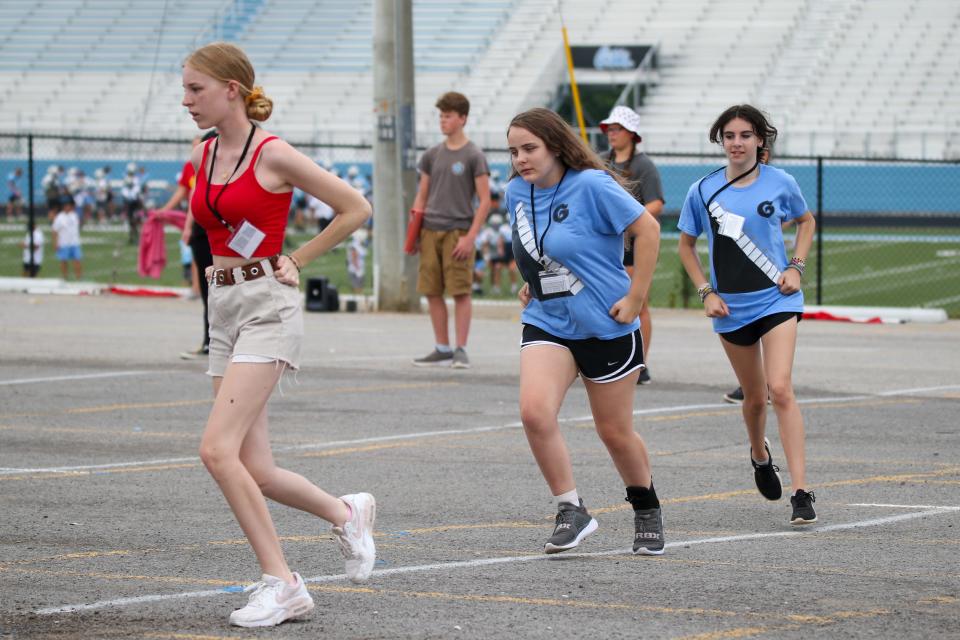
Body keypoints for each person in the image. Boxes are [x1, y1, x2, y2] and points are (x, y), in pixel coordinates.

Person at [182, 42, 376, 628]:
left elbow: (355, 207)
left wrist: (300, 255)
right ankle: (346, 512)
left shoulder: (274, 152)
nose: (186, 99)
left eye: (196, 88)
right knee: (255, 468)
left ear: (231, 90)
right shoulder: (204, 150)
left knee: (216, 450)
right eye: (185, 88)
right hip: (224, 306)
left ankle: (284, 583)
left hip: (269, 303)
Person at [505, 108, 665, 556]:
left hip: (605, 324)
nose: (520, 159)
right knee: (535, 413)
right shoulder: (516, 192)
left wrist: (636, 297)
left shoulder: (591, 185)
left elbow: (648, 230)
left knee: (613, 432)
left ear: (555, 146)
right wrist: (531, 280)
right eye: (514, 151)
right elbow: (538, 245)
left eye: (529, 148)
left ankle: (646, 507)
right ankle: (571, 509)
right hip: (548, 320)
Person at [677, 104, 817, 526]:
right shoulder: (701, 190)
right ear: (721, 140)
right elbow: (685, 246)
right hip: (731, 308)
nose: (737, 143)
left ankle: (800, 491)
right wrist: (706, 292)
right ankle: (759, 453)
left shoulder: (781, 182)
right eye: (729, 135)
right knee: (755, 398)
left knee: (781, 389)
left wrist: (796, 266)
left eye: (745, 135)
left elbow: (806, 222)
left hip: (777, 299)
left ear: (760, 140)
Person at [410, 91, 491, 369]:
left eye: (447, 116)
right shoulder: (432, 154)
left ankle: (460, 348)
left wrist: (471, 237)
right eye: (441, 116)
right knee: (431, 290)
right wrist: (414, 232)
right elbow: (421, 196)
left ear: (462, 118)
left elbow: (485, 201)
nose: (442, 121)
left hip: (458, 231)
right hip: (430, 230)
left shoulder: (473, 155)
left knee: (460, 291)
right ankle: (441, 347)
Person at [599, 106, 664, 385]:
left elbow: (656, 203)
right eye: (610, 129)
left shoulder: (643, 166)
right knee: (606, 301)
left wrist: (628, 220)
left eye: (618, 129)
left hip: (635, 244)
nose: (612, 134)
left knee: (638, 302)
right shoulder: (600, 161)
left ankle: (640, 363)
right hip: (607, 242)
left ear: (631, 134)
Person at [172, 132, 217, 360]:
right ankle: (210, 341)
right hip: (202, 234)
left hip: (224, 237)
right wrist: (188, 227)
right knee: (208, 290)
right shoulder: (200, 172)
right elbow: (194, 201)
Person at [52, 200, 82, 280]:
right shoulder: (59, 217)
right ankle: (64, 277)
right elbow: (55, 231)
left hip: (75, 242)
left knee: (77, 260)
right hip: (64, 243)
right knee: (63, 261)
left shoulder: (74, 215)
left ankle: (78, 278)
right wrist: (55, 243)